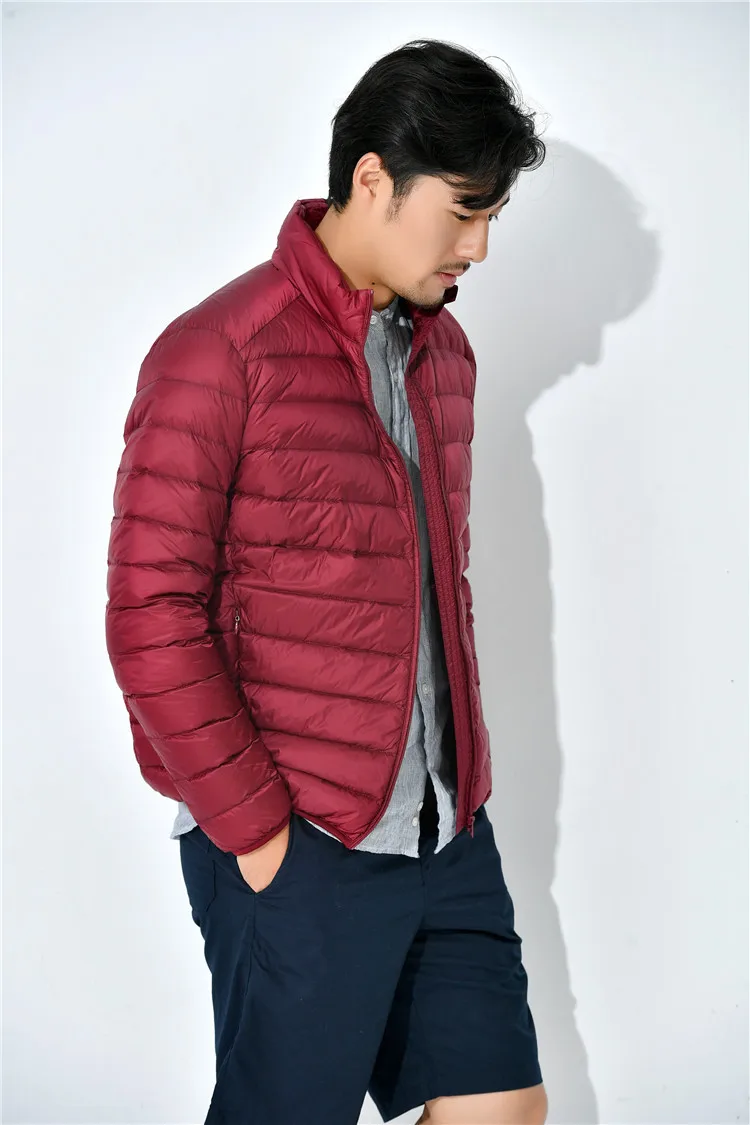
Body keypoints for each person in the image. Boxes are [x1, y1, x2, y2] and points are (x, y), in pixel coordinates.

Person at [105, 36, 548, 1125]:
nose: (480, 246)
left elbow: (436, 588)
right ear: (374, 178)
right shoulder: (221, 350)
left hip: (446, 829)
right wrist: (259, 833)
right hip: (303, 839)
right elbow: (150, 611)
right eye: (464, 210)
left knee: (502, 1108)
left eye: (495, 216)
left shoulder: (446, 358)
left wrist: (462, 786)